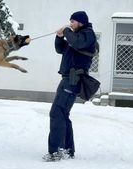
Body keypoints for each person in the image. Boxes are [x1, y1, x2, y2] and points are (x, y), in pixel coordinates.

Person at [43, 11, 97, 162]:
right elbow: (61, 49)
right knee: (62, 114)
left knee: (57, 113)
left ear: (80, 22)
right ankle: (67, 149)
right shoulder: (77, 36)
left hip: (73, 79)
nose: (70, 23)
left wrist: (66, 31)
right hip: (68, 79)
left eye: (73, 21)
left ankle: (57, 151)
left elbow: (77, 42)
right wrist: (59, 38)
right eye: (70, 21)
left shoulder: (88, 35)